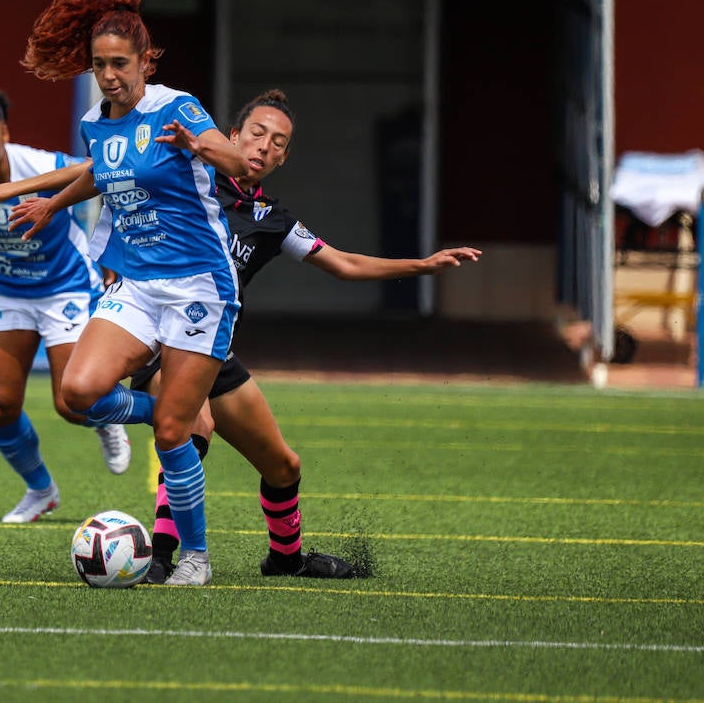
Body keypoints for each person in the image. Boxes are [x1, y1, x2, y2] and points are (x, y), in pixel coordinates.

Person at [0, 0, 250, 586]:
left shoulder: (181, 108)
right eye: (100, 64)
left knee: (173, 432)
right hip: (138, 284)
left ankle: (194, 557)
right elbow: (98, 170)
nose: (110, 75)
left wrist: (204, 145)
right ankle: (165, 409)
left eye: (121, 63)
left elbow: (238, 163)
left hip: (199, 284)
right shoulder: (98, 121)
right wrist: (43, 201)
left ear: (147, 59)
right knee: (79, 393)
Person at [131, 88, 482, 583]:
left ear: (284, 157)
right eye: (256, 133)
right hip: (160, 336)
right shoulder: (190, 180)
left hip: (213, 347)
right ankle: (163, 558)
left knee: (284, 467)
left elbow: (343, 264)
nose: (265, 146)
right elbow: (123, 188)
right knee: (194, 426)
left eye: (278, 142)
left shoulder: (274, 220)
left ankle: (285, 560)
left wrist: (423, 265)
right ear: (231, 136)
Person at [0, 85, 132, 523]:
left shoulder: (43, 165)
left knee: (71, 403)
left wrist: (116, 250)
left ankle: (108, 420)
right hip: (5, 291)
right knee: (0, 406)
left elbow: (100, 172)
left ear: (4, 133)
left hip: (66, 286)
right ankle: (41, 490)